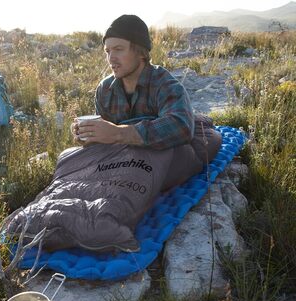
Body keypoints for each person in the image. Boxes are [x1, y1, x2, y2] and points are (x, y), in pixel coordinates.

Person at [71, 14, 222, 190]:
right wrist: (87, 135)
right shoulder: (105, 90)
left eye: (118, 49)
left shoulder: (165, 84)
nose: (111, 58)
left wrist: (120, 133)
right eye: (107, 51)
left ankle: (200, 119)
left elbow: (180, 127)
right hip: (127, 160)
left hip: (167, 150)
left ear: (140, 52)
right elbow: (104, 137)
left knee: (200, 139)